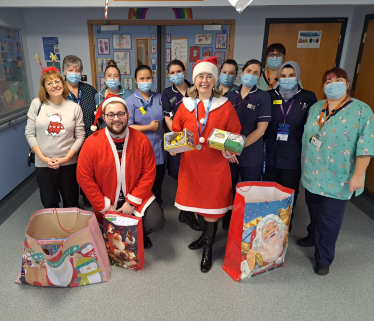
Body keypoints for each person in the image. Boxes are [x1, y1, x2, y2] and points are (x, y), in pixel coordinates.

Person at [299, 67, 374, 275]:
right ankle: (312, 236)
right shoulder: (316, 108)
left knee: (329, 219)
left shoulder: (362, 111)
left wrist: (358, 175)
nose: (333, 85)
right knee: (314, 209)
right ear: (323, 87)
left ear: (347, 83)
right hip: (312, 174)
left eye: (338, 80)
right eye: (328, 82)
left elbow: (365, 146)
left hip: (339, 177)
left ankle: (323, 258)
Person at [171, 56, 241, 273]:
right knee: (199, 204)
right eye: (200, 76)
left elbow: (235, 134)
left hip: (215, 166)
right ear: (194, 80)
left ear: (215, 80)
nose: (204, 80)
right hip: (192, 165)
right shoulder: (185, 105)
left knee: (212, 207)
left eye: (209, 76)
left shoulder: (225, 105)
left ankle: (208, 248)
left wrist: (230, 148)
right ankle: (204, 236)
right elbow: (176, 131)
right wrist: (175, 144)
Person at [77, 94, 165, 249]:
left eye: (120, 114)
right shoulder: (92, 143)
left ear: (127, 115)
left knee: (156, 221)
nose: (116, 119)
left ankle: (138, 233)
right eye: (110, 115)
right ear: (104, 117)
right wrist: (103, 204)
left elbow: (148, 173)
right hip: (107, 198)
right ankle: (115, 233)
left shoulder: (141, 140)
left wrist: (132, 202)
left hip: (135, 195)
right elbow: (84, 177)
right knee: (107, 225)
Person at [263, 61, 317, 230]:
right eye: (283, 76)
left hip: (294, 153)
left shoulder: (308, 97)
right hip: (270, 152)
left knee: (288, 190)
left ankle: (285, 224)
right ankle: (268, 223)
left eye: (291, 76)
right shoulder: (269, 95)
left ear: (298, 77)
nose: (287, 80)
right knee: (270, 191)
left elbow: (313, 126)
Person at [25, 55, 85, 209]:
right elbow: (30, 133)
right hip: (43, 164)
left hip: (68, 164)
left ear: (62, 83)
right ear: (44, 87)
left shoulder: (74, 107)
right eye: (49, 83)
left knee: (71, 201)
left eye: (57, 81)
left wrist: (66, 158)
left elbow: (80, 136)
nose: (54, 85)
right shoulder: (37, 104)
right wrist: (44, 158)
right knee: (49, 202)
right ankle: (55, 231)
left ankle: (71, 231)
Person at [224, 60, 271, 231]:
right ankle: (228, 219)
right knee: (228, 189)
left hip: (251, 153)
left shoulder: (263, 97)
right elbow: (222, 126)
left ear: (259, 77)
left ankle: (245, 225)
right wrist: (228, 150)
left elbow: (260, 130)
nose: (251, 75)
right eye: (248, 70)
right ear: (242, 72)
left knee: (248, 192)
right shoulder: (230, 95)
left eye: (256, 73)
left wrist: (237, 148)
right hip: (229, 153)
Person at [161, 60, 202, 231]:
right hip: (179, 138)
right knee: (182, 178)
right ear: (168, 75)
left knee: (196, 176)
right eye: (172, 72)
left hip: (198, 139)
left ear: (184, 72)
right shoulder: (167, 93)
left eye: (179, 71)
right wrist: (180, 138)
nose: (176, 74)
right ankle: (186, 212)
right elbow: (168, 118)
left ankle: (194, 209)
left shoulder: (196, 88)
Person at [125, 65, 165, 207]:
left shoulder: (160, 97)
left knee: (158, 179)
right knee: (143, 182)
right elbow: (128, 126)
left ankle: (156, 206)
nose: (145, 81)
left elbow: (167, 120)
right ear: (135, 80)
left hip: (159, 149)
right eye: (142, 78)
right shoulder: (130, 101)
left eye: (148, 78)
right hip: (140, 150)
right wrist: (148, 127)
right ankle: (142, 208)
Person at [63, 55, 97, 207]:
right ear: (64, 72)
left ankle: (88, 196)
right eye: (70, 70)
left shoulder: (89, 90)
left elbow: (98, 112)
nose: (74, 73)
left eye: (77, 70)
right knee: (69, 175)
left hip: (89, 139)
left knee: (89, 173)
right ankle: (72, 203)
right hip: (67, 142)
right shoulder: (59, 92)